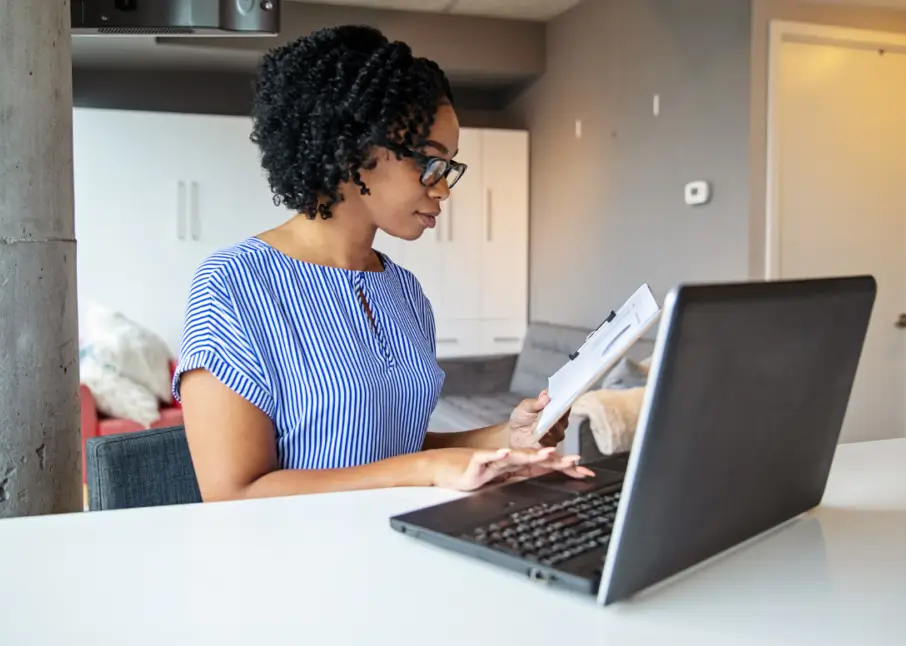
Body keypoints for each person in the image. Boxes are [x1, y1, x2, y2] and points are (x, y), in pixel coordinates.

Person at [173, 25, 593, 503]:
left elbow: (394, 453)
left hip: (402, 541)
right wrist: (429, 467)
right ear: (354, 150)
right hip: (296, 564)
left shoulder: (404, 291)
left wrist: (505, 439)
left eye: (450, 167)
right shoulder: (233, 285)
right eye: (430, 163)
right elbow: (232, 494)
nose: (443, 189)